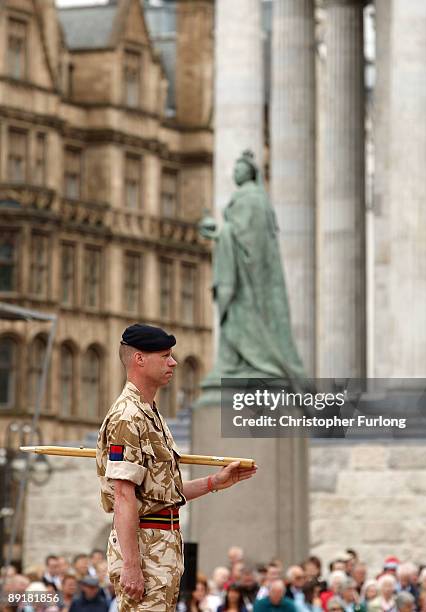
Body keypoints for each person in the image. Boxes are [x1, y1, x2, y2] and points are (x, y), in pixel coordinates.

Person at [96, 323, 257, 612]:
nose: (173, 362)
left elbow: (161, 493)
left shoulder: (150, 414)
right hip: (145, 548)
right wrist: (132, 565)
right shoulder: (127, 417)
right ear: (139, 359)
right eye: (165, 355)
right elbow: (123, 495)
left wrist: (215, 482)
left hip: (162, 545)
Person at [198, 150, 304, 384]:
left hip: (246, 280)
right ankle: (236, 362)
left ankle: (251, 362)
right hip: (241, 274)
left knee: (242, 319)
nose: (235, 171)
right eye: (235, 168)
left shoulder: (252, 199)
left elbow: (247, 239)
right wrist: (221, 232)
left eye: (240, 168)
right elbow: (238, 233)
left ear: (250, 172)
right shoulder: (249, 199)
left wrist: (219, 231)